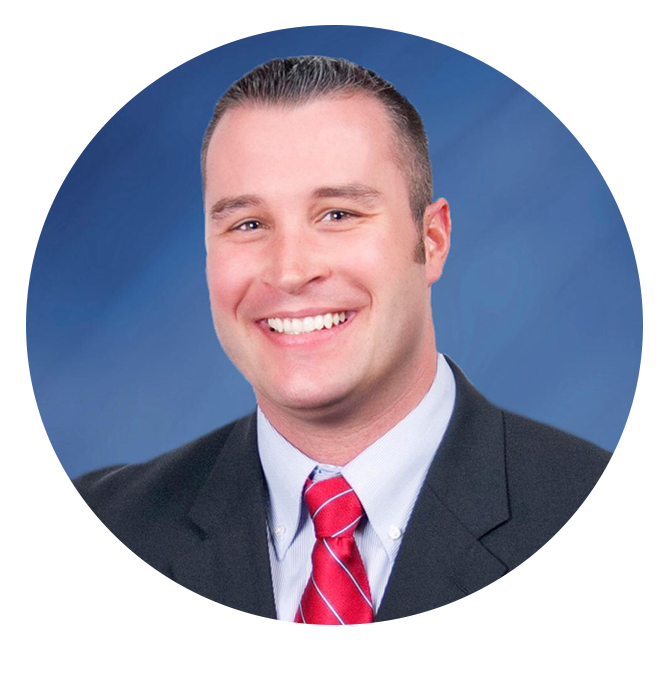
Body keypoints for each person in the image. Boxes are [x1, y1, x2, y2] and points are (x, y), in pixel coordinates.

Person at [27, 55, 642, 625]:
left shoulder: (622, 536)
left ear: (431, 241)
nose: (290, 270)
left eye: (338, 215)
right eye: (248, 223)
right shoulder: (97, 544)